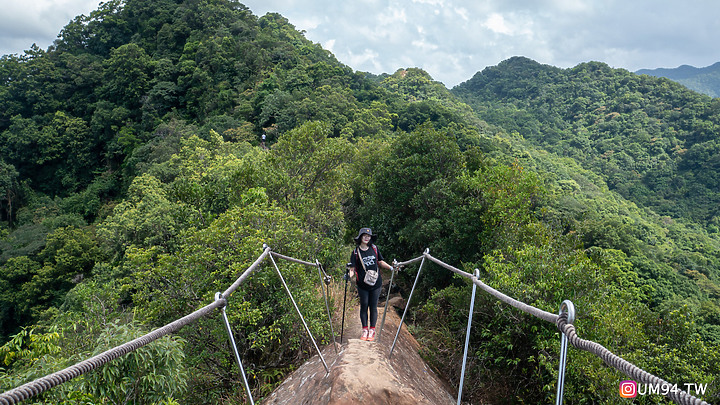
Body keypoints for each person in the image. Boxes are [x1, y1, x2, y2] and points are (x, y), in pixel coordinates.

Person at [347, 227, 393, 341]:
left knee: (373, 306)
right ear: (361, 237)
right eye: (364, 236)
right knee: (364, 305)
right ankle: (365, 330)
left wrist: (391, 268)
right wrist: (349, 276)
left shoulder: (374, 249)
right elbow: (352, 268)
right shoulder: (355, 252)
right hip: (362, 284)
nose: (367, 238)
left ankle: (372, 330)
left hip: (376, 283)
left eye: (369, 236)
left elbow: (380, 262)